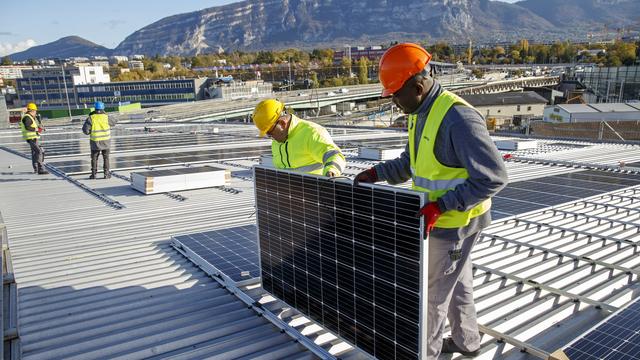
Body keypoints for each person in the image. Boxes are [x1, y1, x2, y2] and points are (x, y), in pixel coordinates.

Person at [354, 43, 508, 359]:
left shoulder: (458, 119)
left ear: (419, 85)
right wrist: (375, 173)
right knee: (457, 283)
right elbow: (413, 162)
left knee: (432, 296)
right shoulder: (420, 111)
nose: (393, 101)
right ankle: (468, 342)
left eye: (396, 94)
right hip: (438, 219)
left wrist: (442, 205)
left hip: (456, 223)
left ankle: (424, 353)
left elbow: (494, 176)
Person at [252, 99, 346, 176]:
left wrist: (331, 173)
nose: (270, 137)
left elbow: (334, 155)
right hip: (290, 195)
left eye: (269, 132)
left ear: (282, 123)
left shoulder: (311, 133)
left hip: (315, 193)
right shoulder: (278, 140)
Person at [82, 101, 117, 179]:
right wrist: (106, 114)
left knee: (94, 158)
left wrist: (91, 131)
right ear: (103, 108)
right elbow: (114, 122)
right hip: (106, 142)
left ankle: (93, 174)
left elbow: (85, 131)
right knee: (106, 158)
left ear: (95, 108)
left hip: (95, 142)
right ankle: (106, 174)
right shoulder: (106, 117)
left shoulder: (91, 118)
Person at [20, 103, 47, 174]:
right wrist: (36, 129)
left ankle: (36, 168)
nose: (36, 112)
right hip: (31, 138)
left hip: (33, 138)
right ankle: (40, 169)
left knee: (35, 152)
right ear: (32, 110)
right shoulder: (27, 117)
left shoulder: (30, 117)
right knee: (39, 152)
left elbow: (33, 126)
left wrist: (39, 128)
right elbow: (27, 127)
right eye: (35, 111)